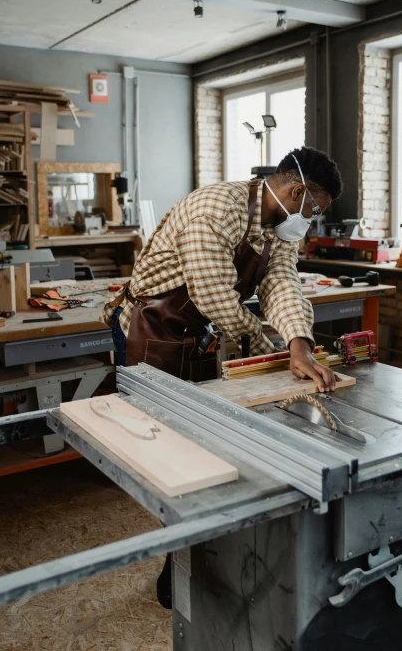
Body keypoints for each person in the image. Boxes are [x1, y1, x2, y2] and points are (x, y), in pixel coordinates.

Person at [101, 145, 343, 607]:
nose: (311, 220)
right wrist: (267, 341)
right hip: (150, 326)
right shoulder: (217, 208)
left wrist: (299, 343)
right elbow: (213, 295)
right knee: (166, 456)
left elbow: (282, 284)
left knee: (199, 446)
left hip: (194, 331)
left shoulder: (278, 228)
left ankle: (196, 557)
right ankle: (177, 572)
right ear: (296, 191)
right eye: (314, 209)